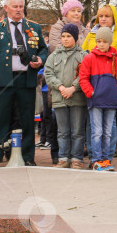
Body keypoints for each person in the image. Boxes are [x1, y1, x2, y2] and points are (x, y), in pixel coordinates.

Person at [0, 0, 48, 167]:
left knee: (27, 119)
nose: (18, 10)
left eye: (21, 6)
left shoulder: (34, 27)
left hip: (26, 79)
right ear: (6, 8)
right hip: (3, 80)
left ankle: (27, 156)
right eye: (15, 7)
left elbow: (43, 49)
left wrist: (40, 60)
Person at [83, 4, 117, 158]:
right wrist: (90, 90)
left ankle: (108, 155)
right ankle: (95, 155)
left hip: (110, 89)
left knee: (109, 126)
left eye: (107, 16)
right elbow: (84, 55)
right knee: (94, 127)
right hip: (95, 90)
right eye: (101, 16)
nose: (104, 19)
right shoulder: (91, 34)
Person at [79, 26, 117, 171]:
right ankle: (96, 160)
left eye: (104, 41)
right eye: (98, 41)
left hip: (111, 100)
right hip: (96, 100)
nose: (101, 44)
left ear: (110, 42)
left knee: (108, 131)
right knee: (97, 131)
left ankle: (106, 159)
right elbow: (83, 78)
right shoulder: (89, 58)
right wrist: (91, 93)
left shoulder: (115, 59)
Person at [44, 24, 87, 169]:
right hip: (59, 98)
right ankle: (63, 157)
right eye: (63, 36)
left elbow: (84, 74)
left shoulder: (83, 55)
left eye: (69, 36)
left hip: (77, 99)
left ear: (75, 37)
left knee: (77, 131)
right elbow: (48, 74)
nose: (65, 39)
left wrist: (73, 88)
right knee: (62, 131)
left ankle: (76, 158)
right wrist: (61, 87)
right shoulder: (53, 56)